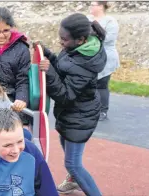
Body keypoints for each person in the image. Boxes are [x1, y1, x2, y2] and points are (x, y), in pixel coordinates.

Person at [38, 13, 107, 195]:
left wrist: (49, 71)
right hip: (70, 114)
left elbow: (65, 95)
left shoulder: (86, 63)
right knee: (66, 149)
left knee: (72, 164)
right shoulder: (76, 49)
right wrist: (47, 53)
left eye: (64, 39)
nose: (61, 42)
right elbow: (63, 67)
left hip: (80, 117)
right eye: (60, 37)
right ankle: (73, 180)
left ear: (80, 40)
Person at [89, 1, 120, 121]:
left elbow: (107, 39)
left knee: (101, 84)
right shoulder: (88, 18)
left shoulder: (110, 21)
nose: (91, 7)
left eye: (93, 4)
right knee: (90, 84)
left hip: (106, 56)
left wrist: (90, 38)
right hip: (90, 56)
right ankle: (92, 109)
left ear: (101, 7)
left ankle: (103, 111)